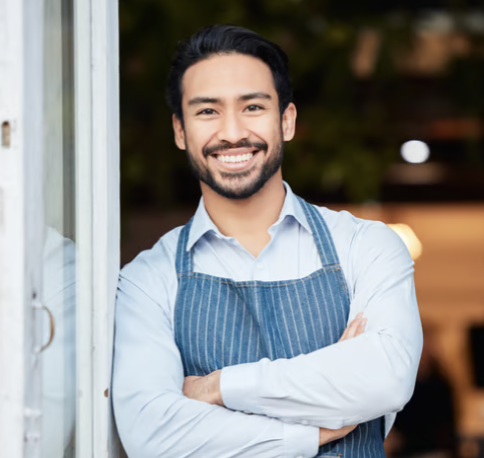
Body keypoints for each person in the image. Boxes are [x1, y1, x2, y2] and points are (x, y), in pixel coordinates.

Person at [112, 24, 423, 458]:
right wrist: (310, 431)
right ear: (180, 131)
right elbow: (153, 434)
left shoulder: (365, 247)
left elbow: (385, 376)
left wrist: (217, 387)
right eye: (207, 112)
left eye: (253, 106)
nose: (232, 132)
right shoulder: (148, 278)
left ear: (287, 120)